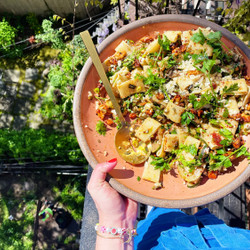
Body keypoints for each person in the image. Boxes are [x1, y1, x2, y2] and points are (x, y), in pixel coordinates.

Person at [88, 158, 250, 250]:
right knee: (164, 217)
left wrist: (117, 220)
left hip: (154, 242)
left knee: (162, 218)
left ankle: (159, 199)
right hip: (228, 244)